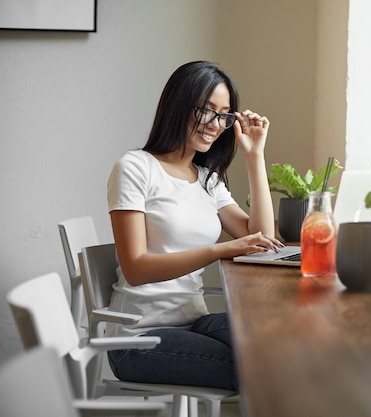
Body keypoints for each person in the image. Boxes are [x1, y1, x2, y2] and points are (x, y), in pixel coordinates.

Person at [105, 61, 283, 391]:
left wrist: (254, 156)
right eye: (208, 111)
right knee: (261, 370)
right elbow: (136, 268)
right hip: (138, 337)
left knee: (278, 346)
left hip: (192, 322)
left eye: (225, 115)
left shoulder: (206, 180)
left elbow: (262, 239)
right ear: (180, 105)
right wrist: (221, 250)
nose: (216, 124)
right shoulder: (135, 168)